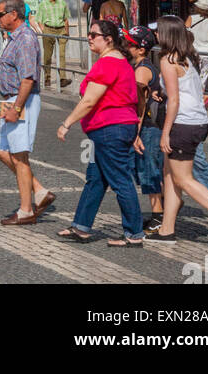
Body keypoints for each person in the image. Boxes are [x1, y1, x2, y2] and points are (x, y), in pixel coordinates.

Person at [145, 15, 208, 248]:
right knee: (170, 176)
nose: (155, 35)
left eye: (158, 31)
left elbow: (176, 101)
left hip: (182, 124)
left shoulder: (168, 59)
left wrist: (165, 132)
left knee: (183, 179)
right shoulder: (187, 56)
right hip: (197, 121)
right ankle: (167, 230)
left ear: (167, 34)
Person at [56, 19, 145, 245]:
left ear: (108, 39)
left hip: (109, 129)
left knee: (121, 180)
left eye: (93, 34)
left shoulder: (108, 63)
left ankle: (134, 233)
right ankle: (81, 226)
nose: (89, 37)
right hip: (112, 129)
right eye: (89, 33)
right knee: (95, 179)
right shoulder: (121, 62)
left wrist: (67, 123)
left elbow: (89, 100)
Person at [0, 0, 54, 225]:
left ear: (13, 15)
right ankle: (38, 191)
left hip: (22, 99)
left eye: (0, 14)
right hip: (9, 99)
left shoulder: (26, 38)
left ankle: (26, 210)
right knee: (2, 151)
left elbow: (27, 79)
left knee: (19, 155)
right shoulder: (13, 37)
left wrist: (17, 107)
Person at [123, 26, 164, 231]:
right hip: (146, 127)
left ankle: (158, 216)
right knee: (144, 170)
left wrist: (135, 133)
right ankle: (161, 211)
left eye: (130, 43)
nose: (126, 45)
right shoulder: (140, 65)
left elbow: (140, 105)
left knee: (150, 171)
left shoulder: (142, 70)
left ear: (141, 49)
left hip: (148, 127)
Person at [34, 0, 71, 88]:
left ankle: (63, 78)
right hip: (48, 30)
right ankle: (47, 78)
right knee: (47, 56)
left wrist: (67, 31)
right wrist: (43, 30)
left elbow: (66, 19)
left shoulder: (62, 3)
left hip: (61, 30)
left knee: (62, 54)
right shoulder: (43, 4)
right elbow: (39, 20)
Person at [186, 0, 208, 67]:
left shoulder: (191, 18)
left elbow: (184, 34)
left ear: (197, 7)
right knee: (204, 76)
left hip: (193, 53)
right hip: (207, 54)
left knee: (194, 75)